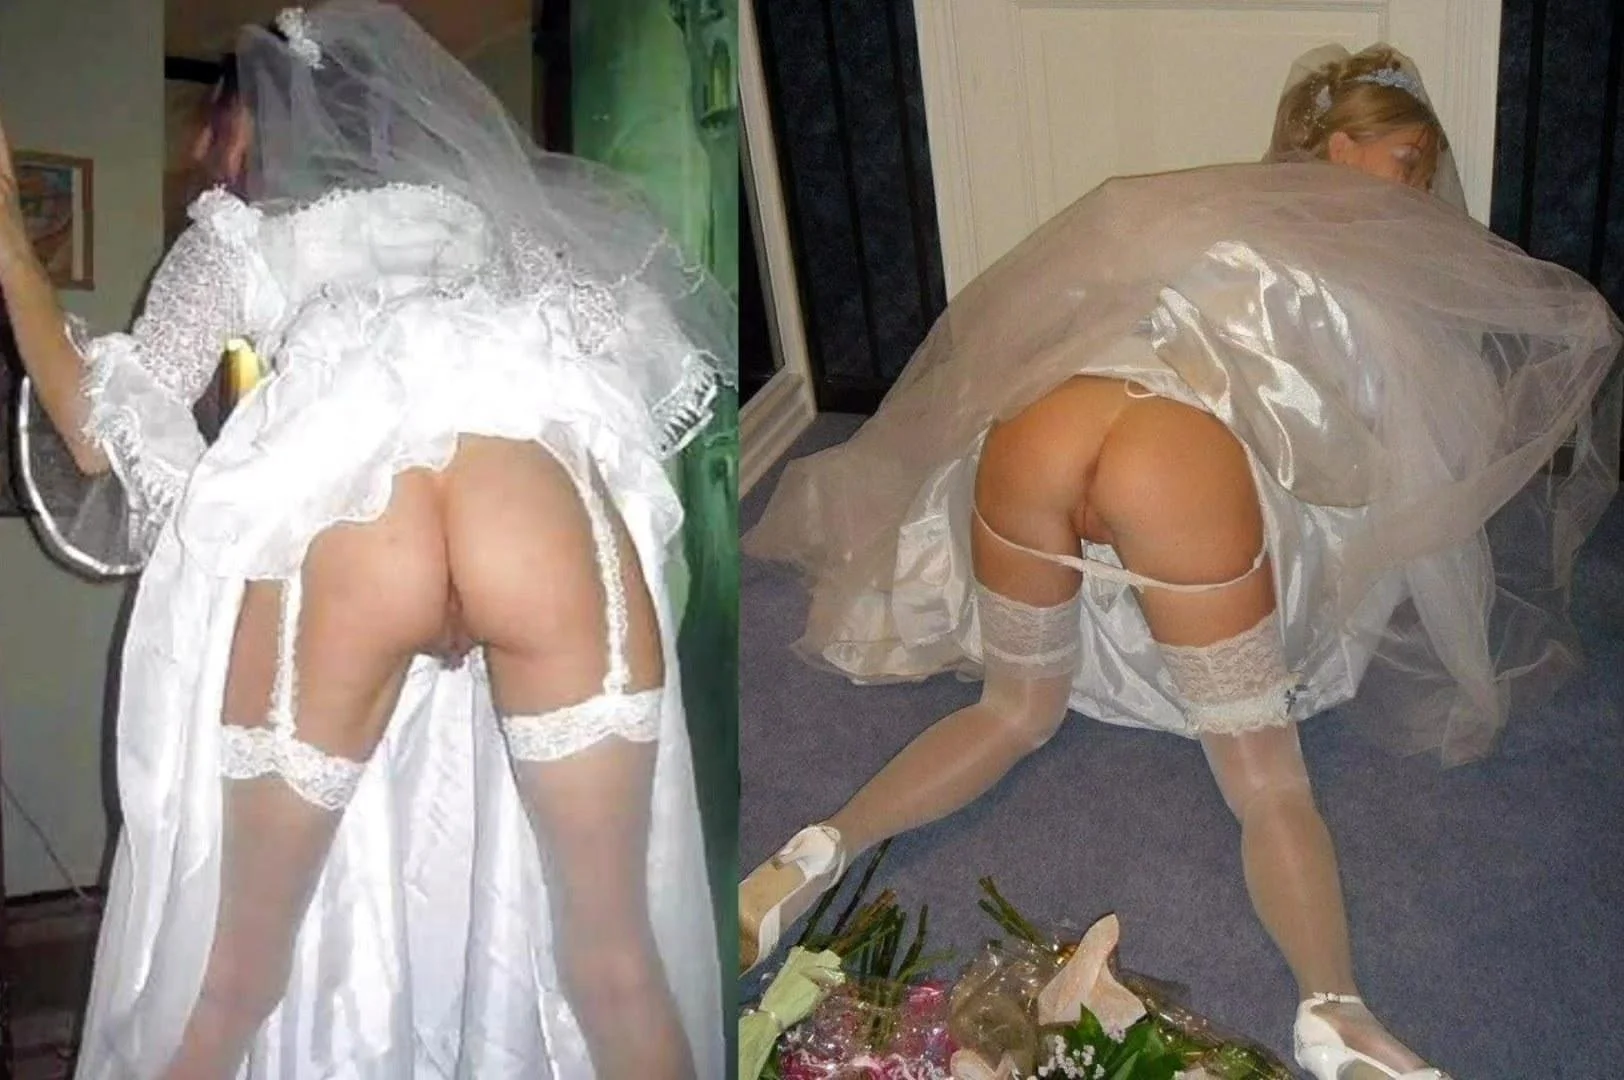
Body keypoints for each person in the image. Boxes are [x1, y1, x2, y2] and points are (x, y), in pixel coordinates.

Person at [741, 44, 1621, 1080]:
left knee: (1014, 709)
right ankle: (1334, 1013)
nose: (1417, 186)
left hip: (1040, 430)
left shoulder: (1214, 213)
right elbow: (1350, 448)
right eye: (1407, 159)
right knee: (1265, 778)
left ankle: (806, 858)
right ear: (1342, 146)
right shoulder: (1364, 247)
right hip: (1175, 462)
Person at [0, 3, 733, 1077]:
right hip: (532, 502)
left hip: (353, 516)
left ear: (247, 132)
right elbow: (627, 358)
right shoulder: (495, 221)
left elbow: (104, 435)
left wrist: (12, 252)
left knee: (233, 982)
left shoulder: (240, 237)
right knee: (615, 969)